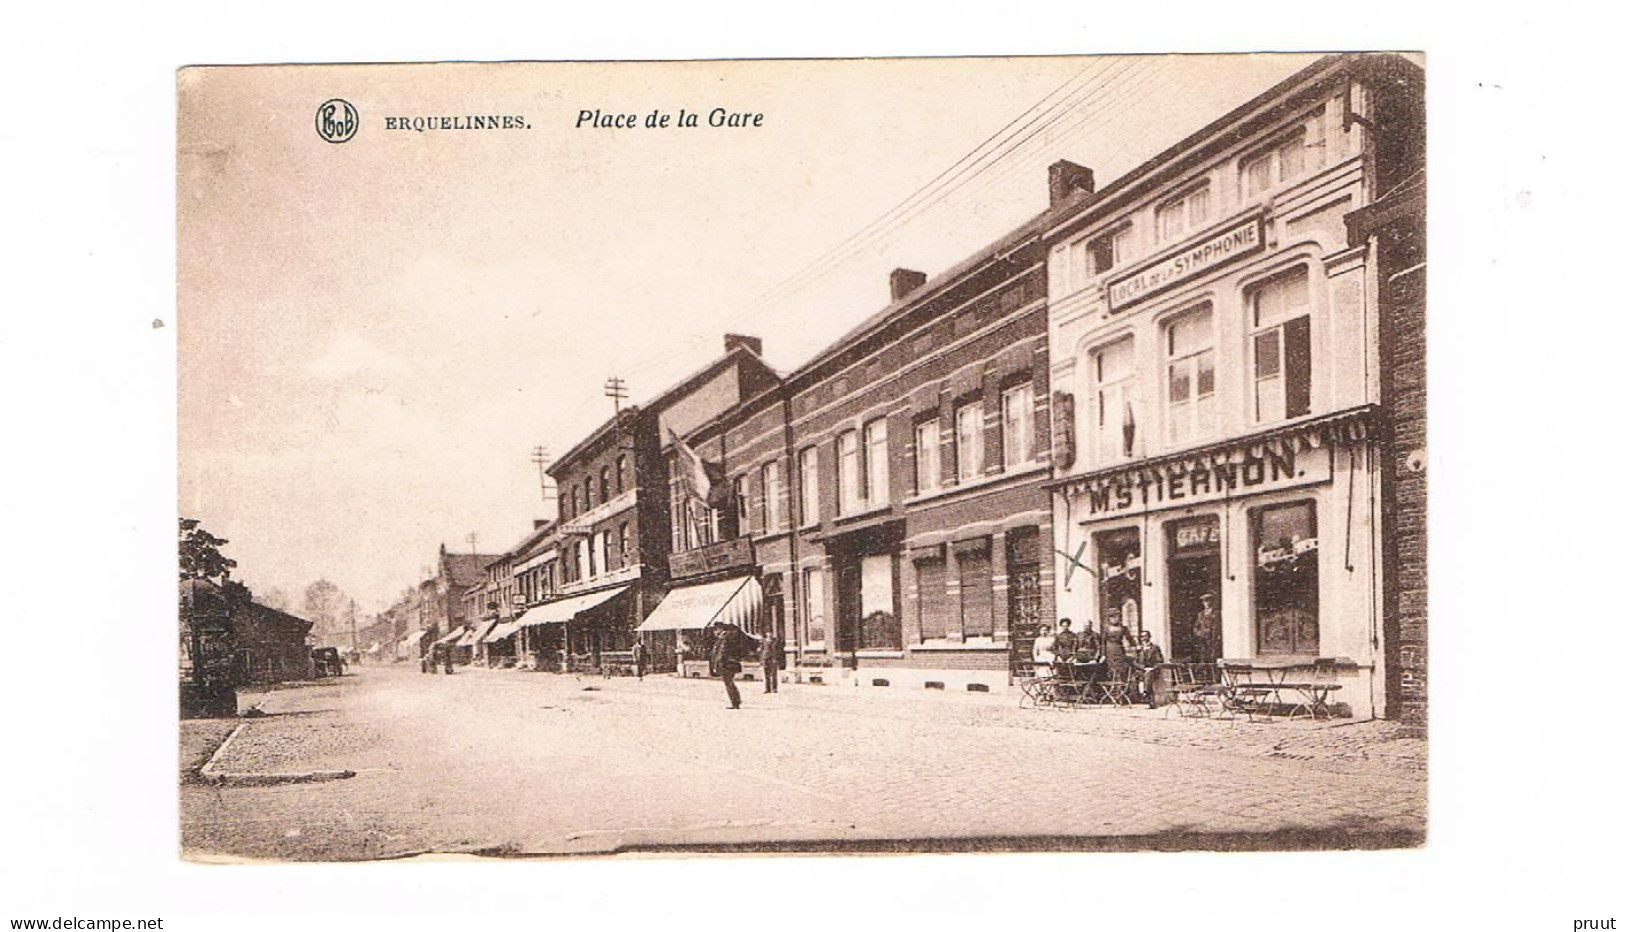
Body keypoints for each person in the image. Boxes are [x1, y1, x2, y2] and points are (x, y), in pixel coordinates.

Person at [709, 622, 757, 709]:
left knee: (728, 682)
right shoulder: (724, 638)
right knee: (729, 682)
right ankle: (736, 701)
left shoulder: (725, 638)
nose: (715, 631)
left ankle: (735, 702)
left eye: (716, 629)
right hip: (728, 663)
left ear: (720, 629)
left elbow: (721, 653)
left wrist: (718, 664)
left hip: (727, 664)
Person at [1134, 630, 1165, 707]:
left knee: (1148, 676)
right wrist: (1143, 668)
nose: (1143, 638)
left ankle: (1145, 693)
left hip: (1153, 670)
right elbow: (1135, 662)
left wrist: (1152, 668)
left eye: (1145, 636)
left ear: (1149, 637)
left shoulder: (1155, 648)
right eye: (1142, 637)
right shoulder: (1139, 649)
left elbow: (1159, 661)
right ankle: (1149, 698)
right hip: (1141, 670)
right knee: (1144, 677)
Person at [1192, 592, 1222, 664]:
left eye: (1208, 600)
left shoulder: (1216, 613)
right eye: (1204, 601)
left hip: (1213, 639)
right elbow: (1196, 627)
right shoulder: (1201, 614)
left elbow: (1218, 626)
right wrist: (1199, 633)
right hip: (1203, 640)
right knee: (1203, 658)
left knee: (1213, 657)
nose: (1206, 603)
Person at [1101, 610, 1129, 683]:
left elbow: (1130, 638)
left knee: (1121, 667)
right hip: (1109, 650)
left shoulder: (1123, 628)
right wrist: (1103, 654)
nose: (1115, 619)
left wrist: (1136, 646)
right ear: (1109, 618)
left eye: (1117, 617)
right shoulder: (1106, 628)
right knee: (1111, 668)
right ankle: (1112, 685)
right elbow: (1103, 641)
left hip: (1119, 649)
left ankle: (1121, 685)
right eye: (1112, 617)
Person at [759, 629, 781, 694]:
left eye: (770, 633)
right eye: (767, 633)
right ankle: (767, 689)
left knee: (774, 674)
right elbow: (761, 651)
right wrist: (761, 661)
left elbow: (778, 650)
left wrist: (776, 659)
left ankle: (774, 688)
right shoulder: (763, 641)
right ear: (766, 634)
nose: (769, 634)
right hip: (765, 659)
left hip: (773, 659)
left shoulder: (775, 641)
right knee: (766, 675)